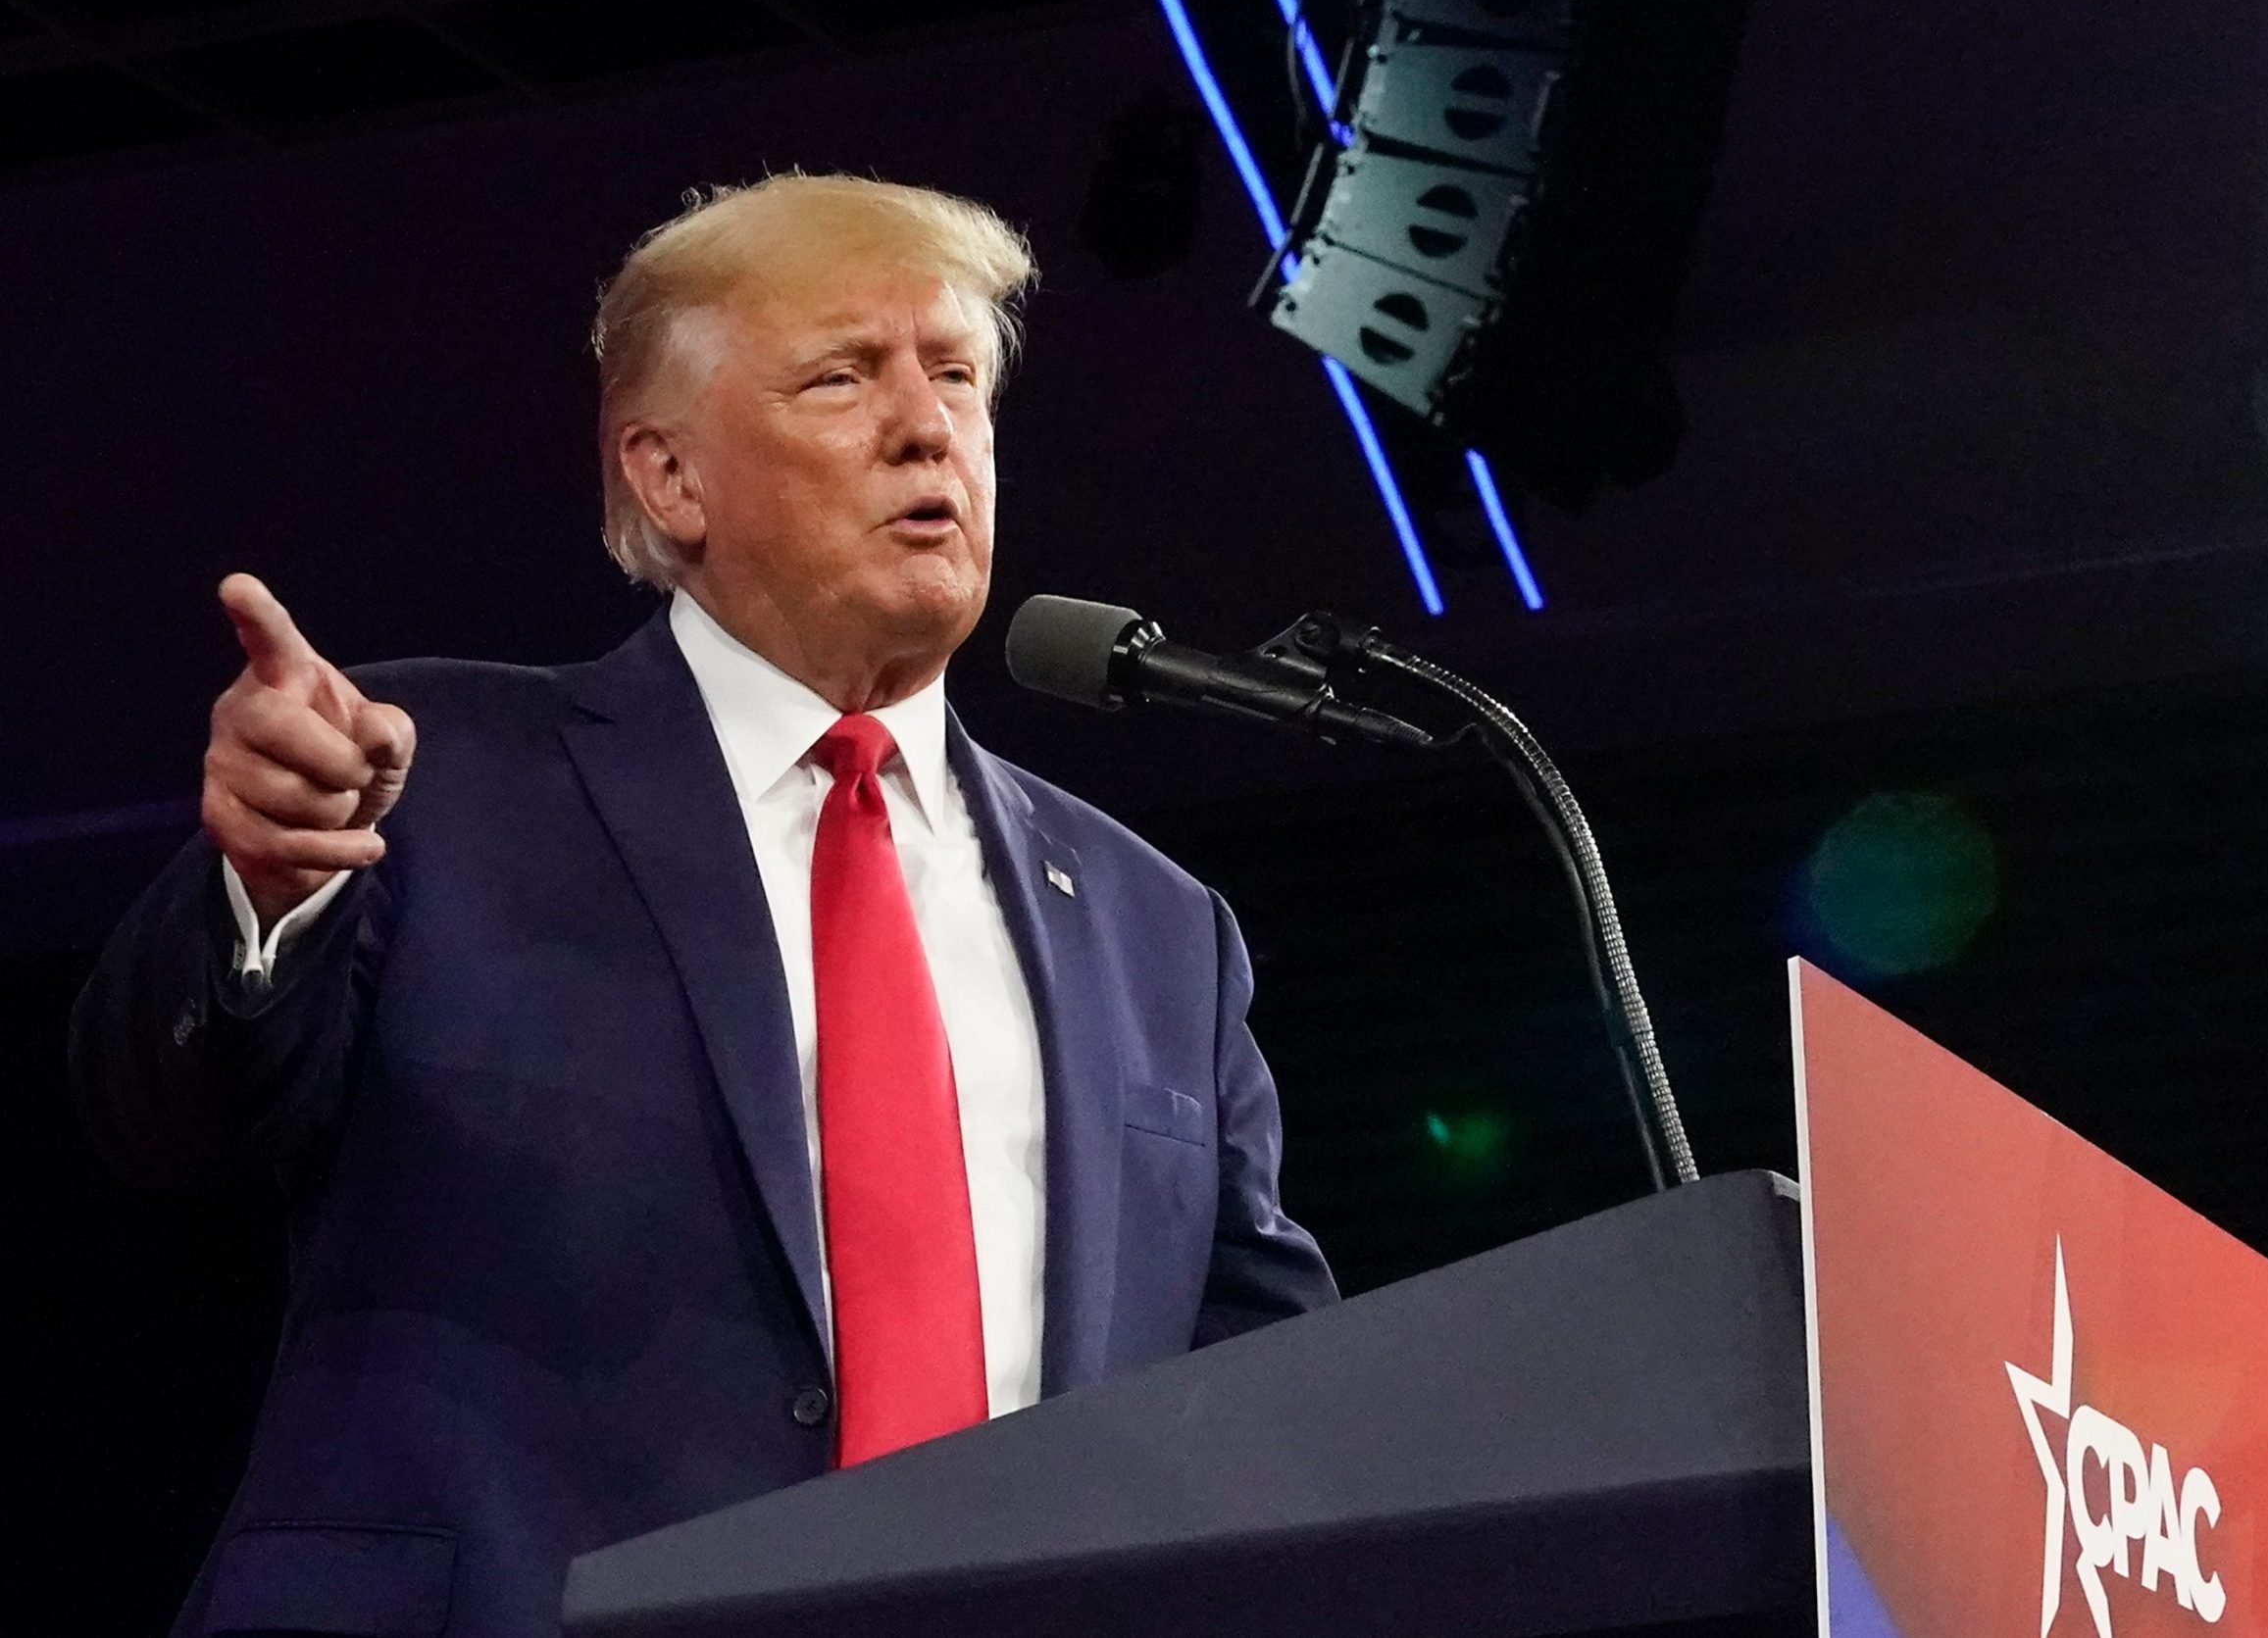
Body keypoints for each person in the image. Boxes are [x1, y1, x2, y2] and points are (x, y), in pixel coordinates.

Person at [70, 173, 1337, 1638]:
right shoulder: (431, 779)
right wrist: (269, 888)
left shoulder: (1155, 925)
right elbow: (163, 1121)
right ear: (671, 478)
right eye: (842, 378)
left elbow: (1255, 1381)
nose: (927, 426)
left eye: (956, 376)